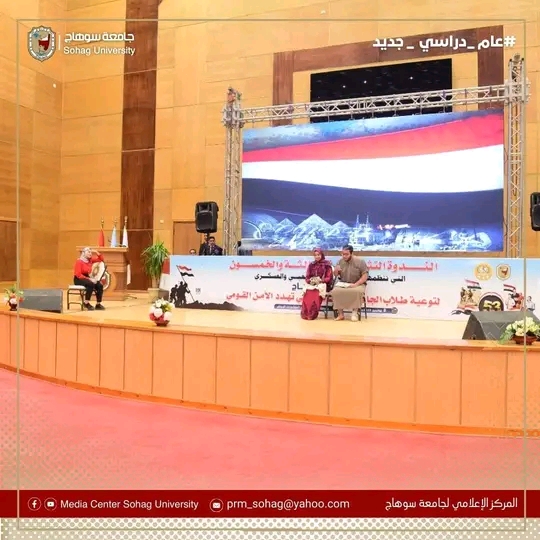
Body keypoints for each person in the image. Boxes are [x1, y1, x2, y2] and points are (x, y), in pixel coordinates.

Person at [331, 245, 368, 321]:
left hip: (358, 284)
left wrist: (356, 284)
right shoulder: (340, 261)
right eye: (343, 254)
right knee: (335, 291)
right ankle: (341, 314)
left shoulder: (360, 261)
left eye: (346, 254)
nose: (344, 256)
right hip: (344, 283)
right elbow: (336, 275)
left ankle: (354, 313)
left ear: (351, 253)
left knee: (356, 291)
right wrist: (336, 271)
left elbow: (365, 276)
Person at [301, 248, 333, 320]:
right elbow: (307, 277)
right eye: (315, 255)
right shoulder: (311, 265)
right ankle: (305, 314)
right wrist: (311, 281)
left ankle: (312, 314)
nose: (317, 256)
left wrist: (320, 281)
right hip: (312, 284)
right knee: (307, 291)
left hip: (323, 284)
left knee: (316, 291)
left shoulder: (327, 264)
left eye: (318, 255)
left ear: (322, 255)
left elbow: (328, 278)